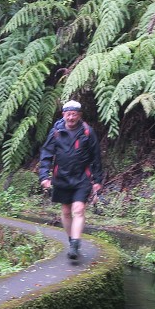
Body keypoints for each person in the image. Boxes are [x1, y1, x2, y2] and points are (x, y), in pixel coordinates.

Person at [38, 100, 103, 259]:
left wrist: (97, 181)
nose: (71, 117)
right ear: (63, 115)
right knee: (66, 211)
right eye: (68, 114)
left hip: (82, 178)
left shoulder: (88, 132)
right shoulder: (56, 131)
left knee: (78, 210)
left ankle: (75, 244)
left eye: (74, 114)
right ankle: (71, 239)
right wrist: (44, 176)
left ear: (79, 115)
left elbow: (96, 157)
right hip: (62, 177)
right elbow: (46, 154)